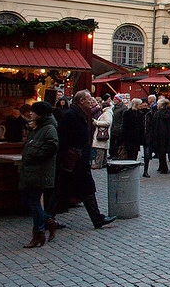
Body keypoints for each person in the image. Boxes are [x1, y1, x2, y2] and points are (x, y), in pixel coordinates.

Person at [45, 90, 116, 231]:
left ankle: (96, 218)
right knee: (70, 190)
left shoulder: (80, 114)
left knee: (78, 190)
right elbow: (63, 138)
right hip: (73, 160)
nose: (91, 101)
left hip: (76, 160)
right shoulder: (71, 116)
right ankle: (47, 219)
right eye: (88, 99)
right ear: (81, 101)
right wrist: (70, 154)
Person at [18, 101, 58, 248]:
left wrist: (34, 155)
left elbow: (52, 146)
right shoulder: (37, 128)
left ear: (40, 114)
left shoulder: (48, 128)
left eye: (33, 111)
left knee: (34, 201)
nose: (30, 113)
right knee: (29, 201)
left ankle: (39, 233)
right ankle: (48, 221)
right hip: (32, 171)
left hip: (40, 171)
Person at [151, 97, 170, 174]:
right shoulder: (169, 112)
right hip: (168, 134)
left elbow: (155, 125)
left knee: (160, 151)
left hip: (160, 134)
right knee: (164, 150)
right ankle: (162, 166)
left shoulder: (158, 114)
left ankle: (163, 166)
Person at [91, 101, 113, 169]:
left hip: (102, 134)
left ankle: (98, 164)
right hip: (104, 134)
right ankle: (103, 162)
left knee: (100, 149)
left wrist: (96, 122)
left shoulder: (107, 113)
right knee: (103, 149)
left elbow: (107, 123)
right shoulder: (108, 112)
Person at [109, 94, 127, 160]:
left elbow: (123, 119)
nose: (114, 100)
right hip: (113, 127)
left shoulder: (123, 108)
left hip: (118, 128)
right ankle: (112, 154)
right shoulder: (114, 107)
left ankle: (116, 154)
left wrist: (121, 127)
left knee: (117, 142)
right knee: (112, 142)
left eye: (115, 99)